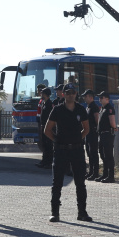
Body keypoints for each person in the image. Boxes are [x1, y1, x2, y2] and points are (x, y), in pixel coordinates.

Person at [44, 83, 92, 222]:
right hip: (61, 150)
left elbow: (87, 129)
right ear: (63, 94)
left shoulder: (80, 109)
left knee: (80, 183)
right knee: (57, 182)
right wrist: (57, 141)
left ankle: (82, 212)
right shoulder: (57, 110)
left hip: (77, 150)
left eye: (73, 92)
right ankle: (55, 212)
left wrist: (77, 139)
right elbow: (47, 130)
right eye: (68, 92)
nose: (71, 95)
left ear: (76, 94)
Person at [95, 91, 118, 183]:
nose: (100, 99)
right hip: (101, 134)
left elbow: (112, 122)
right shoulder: (102, 109)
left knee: (108, 155)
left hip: (107, 134)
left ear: (107, 99)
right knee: (102, 154)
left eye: (101, 97)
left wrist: (115, 127)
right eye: (99, 97)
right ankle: (105, 174)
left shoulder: (109, 109)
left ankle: (110, 176)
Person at [81, 89, 100, 180]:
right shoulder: (88, 107)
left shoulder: (94, 107)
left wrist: (97, 130)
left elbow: (97, 120)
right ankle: (91, 171)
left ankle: (95, 173)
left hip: (93, 133)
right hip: (88, 134)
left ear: (90, 97)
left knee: (93, 153)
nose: (84, 98)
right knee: (89, 153)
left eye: (86, 96)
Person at [36, 87, 53, 169]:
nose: (41, 94)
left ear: (46, 94)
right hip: (43, 126)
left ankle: (48, 162)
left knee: (48, 144)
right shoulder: (43, 103)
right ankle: (44, 160)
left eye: (42, 93)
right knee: (44, 144)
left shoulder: (50, 104)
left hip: (48, 127)